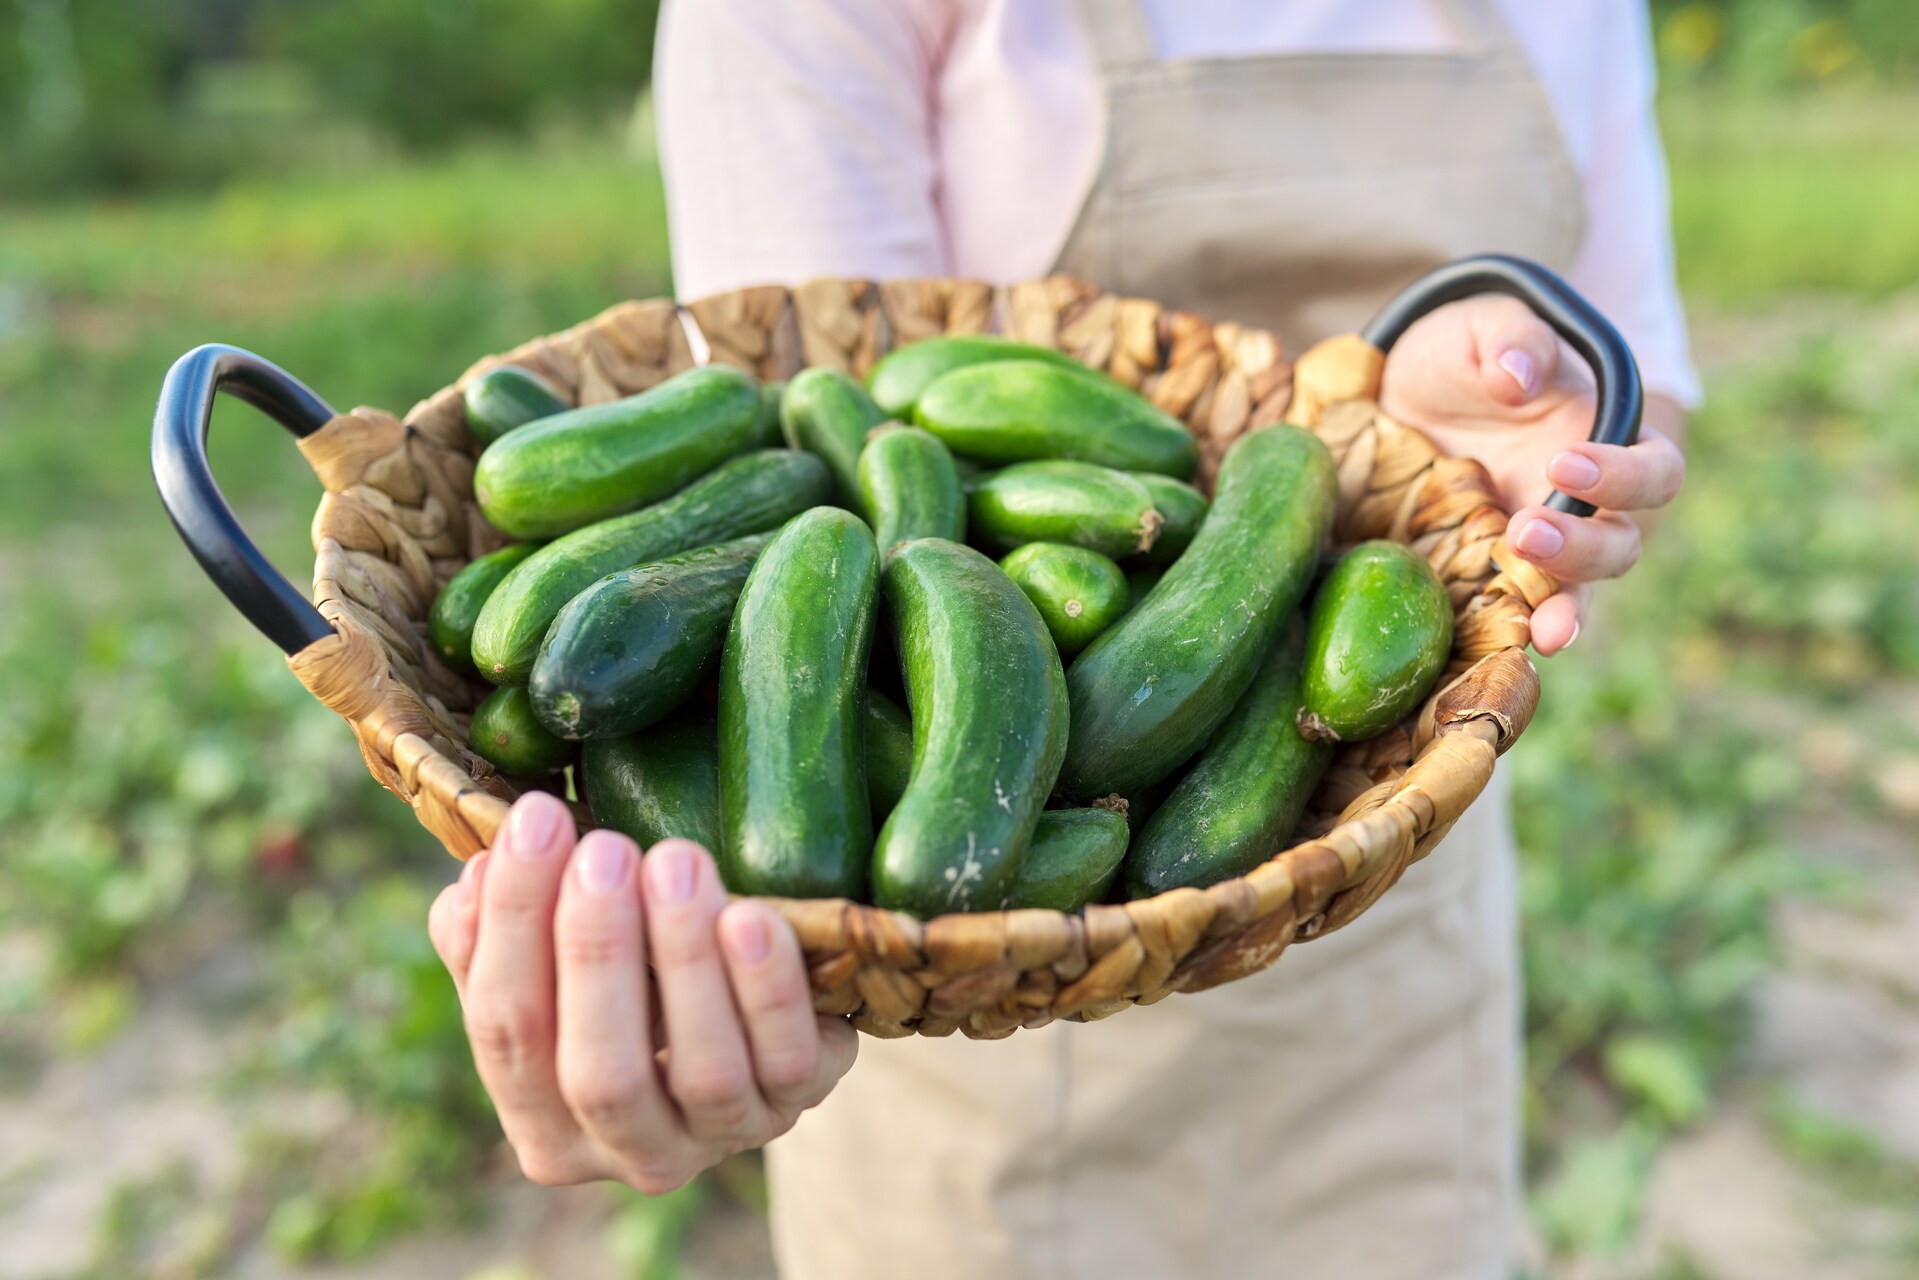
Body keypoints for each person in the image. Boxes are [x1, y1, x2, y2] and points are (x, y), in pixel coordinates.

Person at [428, 3, 1695, 1276]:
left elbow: (1637, 373)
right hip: (976, 990)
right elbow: (818, 406)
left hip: (1379, 896)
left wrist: (1490, 447)